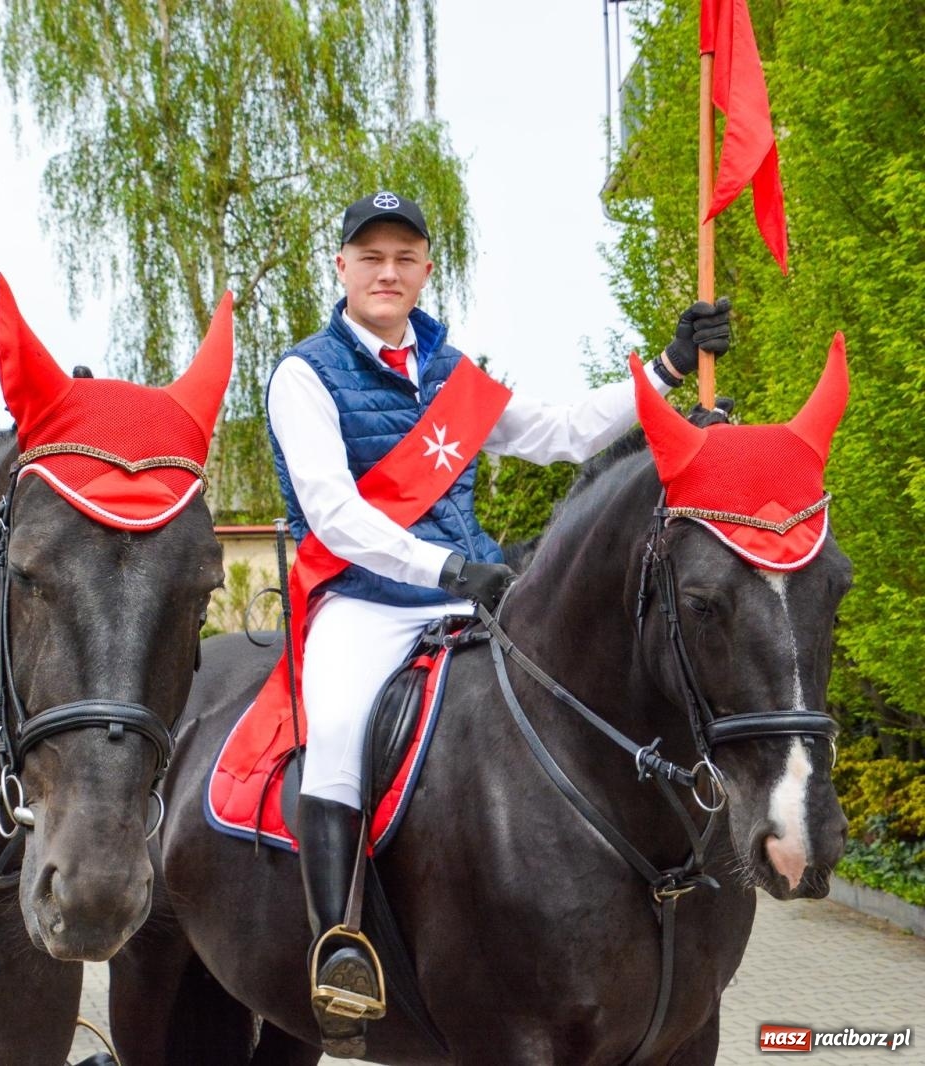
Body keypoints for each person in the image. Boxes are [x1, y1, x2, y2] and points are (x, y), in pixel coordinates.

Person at [266, 191, 730, 1054]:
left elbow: (560, 434)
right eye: (371, 257)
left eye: (404, 258)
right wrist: (441, 567)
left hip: (467, 595)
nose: (387, 272)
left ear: (424, 271)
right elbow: (331, 512)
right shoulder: (305, 373)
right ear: (342, 267)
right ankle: (340, 947)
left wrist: (665, 372)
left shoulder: (453, 373)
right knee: (334, 733)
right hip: (363, 601)